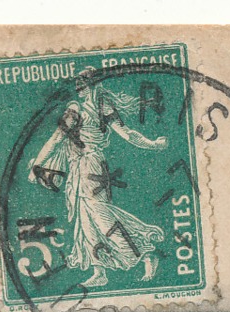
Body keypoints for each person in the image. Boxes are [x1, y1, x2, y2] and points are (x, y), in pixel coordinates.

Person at [28, 70, 168, 288]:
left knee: (101, 215)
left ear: (92, 84)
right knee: (85, 219)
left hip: (91, 165)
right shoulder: (84, 107)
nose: (79, 88)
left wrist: (153, 144)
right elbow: (58, 137)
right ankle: (99, 270)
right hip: (79, 167)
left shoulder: (94, 106)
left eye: (83, 84)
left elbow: (126, 133)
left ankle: (145, 253)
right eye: (78, 84)